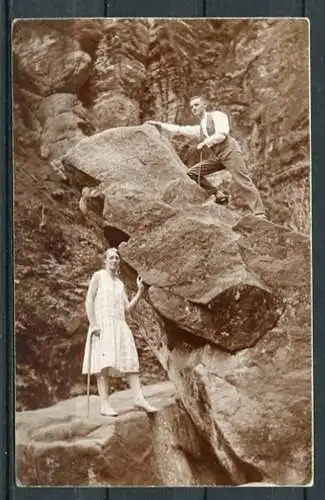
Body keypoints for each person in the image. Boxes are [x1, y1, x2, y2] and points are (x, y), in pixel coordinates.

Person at [147, 95, 267, 218]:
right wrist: (158, 124)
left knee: (242, 181)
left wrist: (205, 142)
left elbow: (222, 134)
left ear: (205, 105)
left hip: (231, 152)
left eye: (196, 105)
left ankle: (259, 213)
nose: (193, 108)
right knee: (192, 173)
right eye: (192, 106)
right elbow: (179, 129)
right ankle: (217, 194)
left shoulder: (217, 116)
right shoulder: (200, 128)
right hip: (219, 157)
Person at [82, 247, 157, 416]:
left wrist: (139, 292)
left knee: (130, 360)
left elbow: (127, 309)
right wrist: (93, 324)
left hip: (120, 324)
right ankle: (104, 404)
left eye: (117, 257)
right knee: (104, 364)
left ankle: (139, 398)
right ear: (105, 260)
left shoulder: (120, 283)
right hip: (102, 324)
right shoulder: (98, 276)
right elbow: (89, 300)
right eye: (111, 257)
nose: (115, 260)